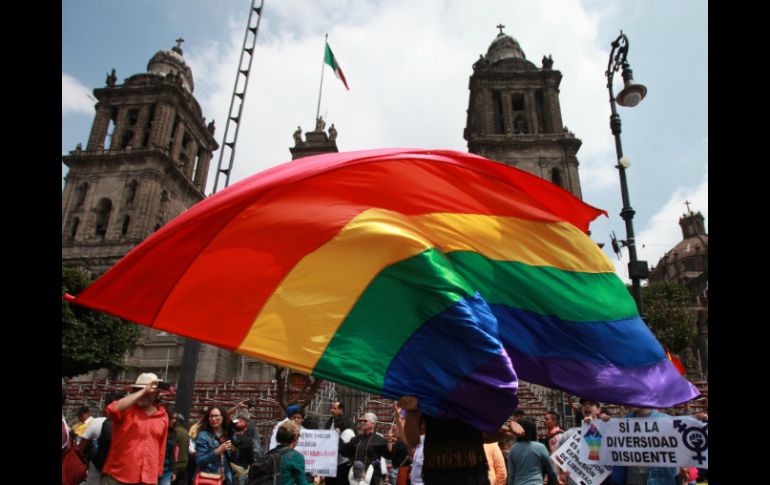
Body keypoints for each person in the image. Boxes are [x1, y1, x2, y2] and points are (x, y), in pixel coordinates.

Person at [399, 396, 523, 485]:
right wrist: (411, 411)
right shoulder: (424, 390)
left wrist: (507, 432)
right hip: (440, 473)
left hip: (472, 472)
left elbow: (482, 436)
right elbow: (413, 440)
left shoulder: (476, 388)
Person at [100, 372, 169, 485]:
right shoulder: (126, 410)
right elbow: (112, 410)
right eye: (138, 390)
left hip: (147, 478)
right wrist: (143, 391)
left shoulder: (163, 415)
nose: (143, 395)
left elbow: (161, 447)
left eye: (149, 392)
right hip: (117, 476)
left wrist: (157, 472)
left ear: (156, 394)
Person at [607, 408, 679, 485]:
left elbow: (673, 458)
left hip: (659, 480)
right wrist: (604, 426)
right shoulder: (624, 422)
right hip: (632, 480)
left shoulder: (666, 421)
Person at [78, 391, 125, 485]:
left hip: (97, 470)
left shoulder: (96, 423)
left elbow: (80, 448)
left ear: (106, 406)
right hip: (121, 471)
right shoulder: (131, 424)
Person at [342, 413, 392, 485]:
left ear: (373, 424)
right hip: (355, 477)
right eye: (361, 421)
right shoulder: (356, 439)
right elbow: (345, 452)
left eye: (365, 421)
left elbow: (389, 454)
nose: (362, 422)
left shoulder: (379, 440)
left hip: (372, 478)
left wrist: (389, 441)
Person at [506, 419, 559, 485]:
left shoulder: (513, 449)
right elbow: (551, 468)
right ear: (533, 431)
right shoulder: (540, 447)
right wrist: (557, 481)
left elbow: (511, 473)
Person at [195, 406, 238, 485]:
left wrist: (234, 450)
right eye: (211, 416)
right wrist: (218, 451)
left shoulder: (228, 435)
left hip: (226, 478)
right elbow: (200, 461)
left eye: (216, 416)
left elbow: (235, 459)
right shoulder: (203, 436)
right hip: (209, 478)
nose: (214, 419)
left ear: (222, 418)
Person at [274, 420, 309, 485]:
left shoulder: (270, 453)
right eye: (298, 437)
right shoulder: (296, 457)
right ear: (295, 438)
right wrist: (315, 482)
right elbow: (303, 483)